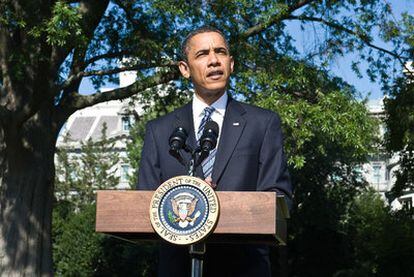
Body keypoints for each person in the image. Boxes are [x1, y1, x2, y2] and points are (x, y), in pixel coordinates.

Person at [138, 26, 292, 277]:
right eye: (202, 54)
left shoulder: (262, 123)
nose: (213, 60)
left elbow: (279, 199)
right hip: (177, 267)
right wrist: (190, 198)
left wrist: (217, 204)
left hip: (244, 267)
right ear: (184, 69)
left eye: (220, 52)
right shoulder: (160, 130)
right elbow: (144, 204)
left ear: (231, 64)